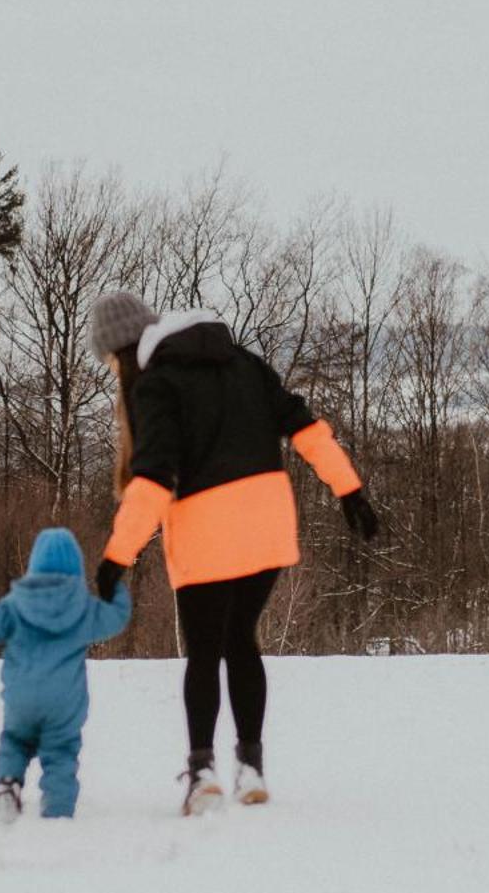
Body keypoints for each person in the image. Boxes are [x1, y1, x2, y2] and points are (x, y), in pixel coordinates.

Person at [88, 293, 378, 814]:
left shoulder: (156, 384)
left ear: (121, 355)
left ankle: (202, 772)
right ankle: (251, 767)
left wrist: (118, 555)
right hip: (268, 522)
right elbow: (306, 429)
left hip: (206, 528)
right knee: (241, 639)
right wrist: (349, 491)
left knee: (204, 650)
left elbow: (155, 476)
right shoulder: (243, 360)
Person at [0, 526, 130, 822]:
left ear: (34, 564)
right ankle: (57, 812)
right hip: (64, 701)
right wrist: (115, 588)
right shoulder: (83, 607)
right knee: (61, 751)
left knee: (15, 740)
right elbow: (117, 618)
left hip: (22, 698)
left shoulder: (15, 605)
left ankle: (8, 784)